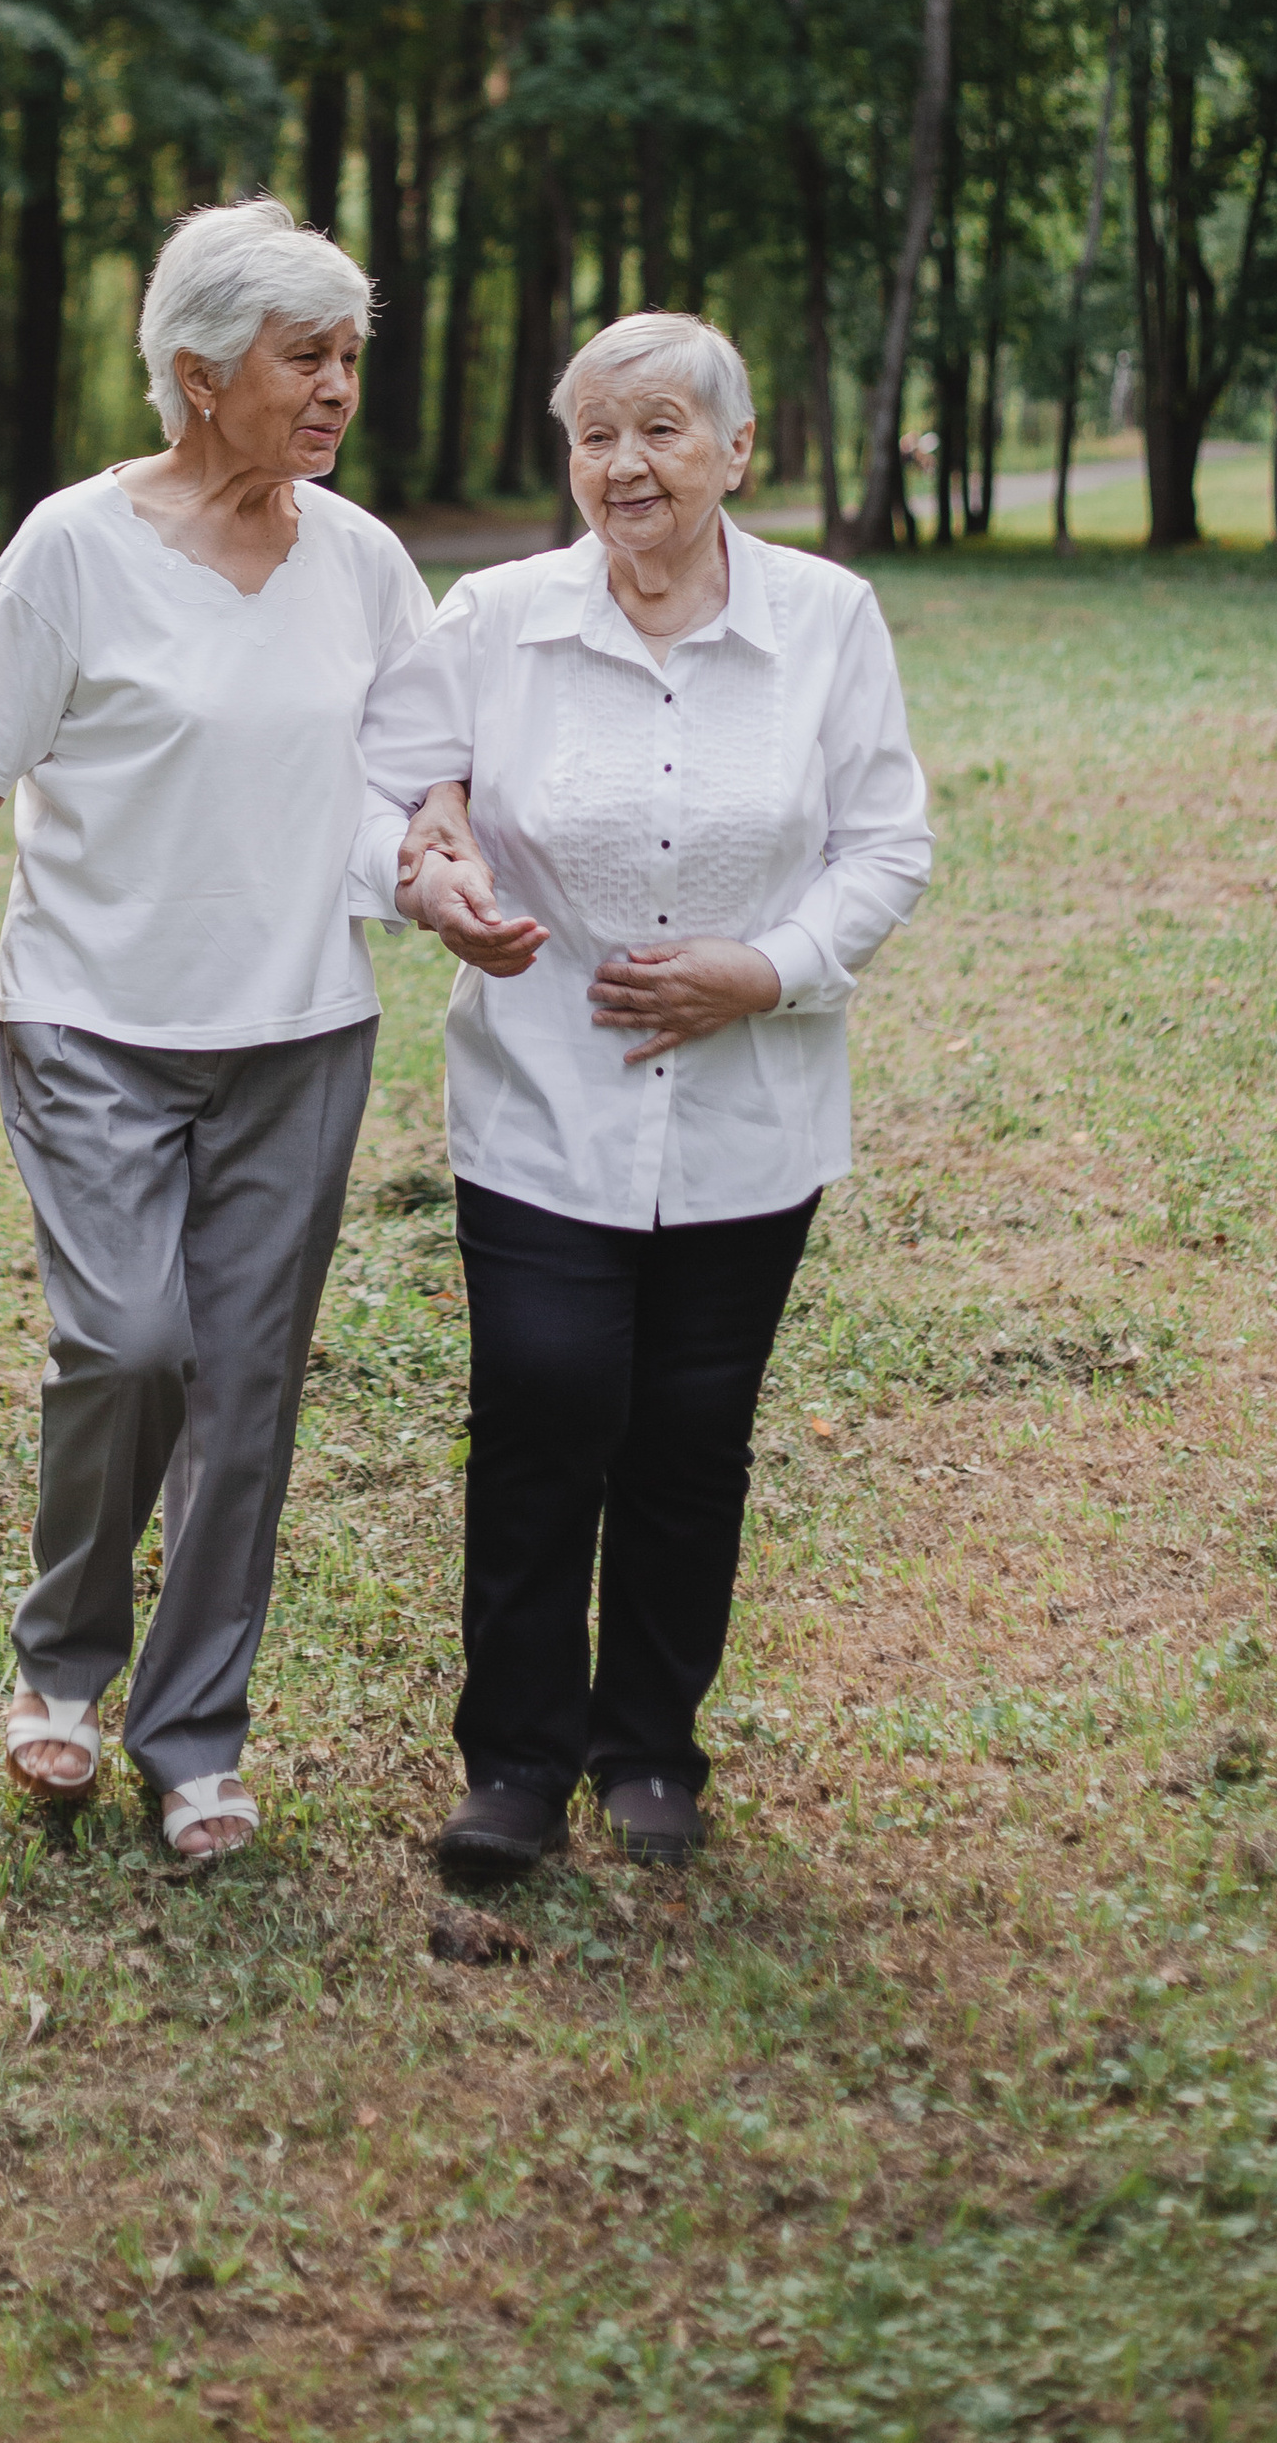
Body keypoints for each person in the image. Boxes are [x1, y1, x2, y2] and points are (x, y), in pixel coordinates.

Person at [0, 197, 430, 1863]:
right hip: (96, 1025)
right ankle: (58, 1672)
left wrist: (451, 866)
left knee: (246, 1395)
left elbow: (422, 775)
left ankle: (195, 1738)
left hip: (301, 1032)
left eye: (350, 357)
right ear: (199, 374)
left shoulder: (366, 559)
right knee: (132, 1347)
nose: (336, 389)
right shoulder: (71, 550)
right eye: (304, 357)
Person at [365, 310, 931, 1875]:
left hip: (755, 1118)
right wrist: (434, 848)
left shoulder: (828, 618)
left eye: (665, 429)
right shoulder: (496, 618)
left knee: (691, 1433)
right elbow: (393, 778)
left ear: (740, 452)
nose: (627, 465)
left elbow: (887, 844)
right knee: (545, 1407)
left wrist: (770, 967)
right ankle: (518, 1762)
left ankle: (653, 1751)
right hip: (543, 1096)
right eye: (597, 435)